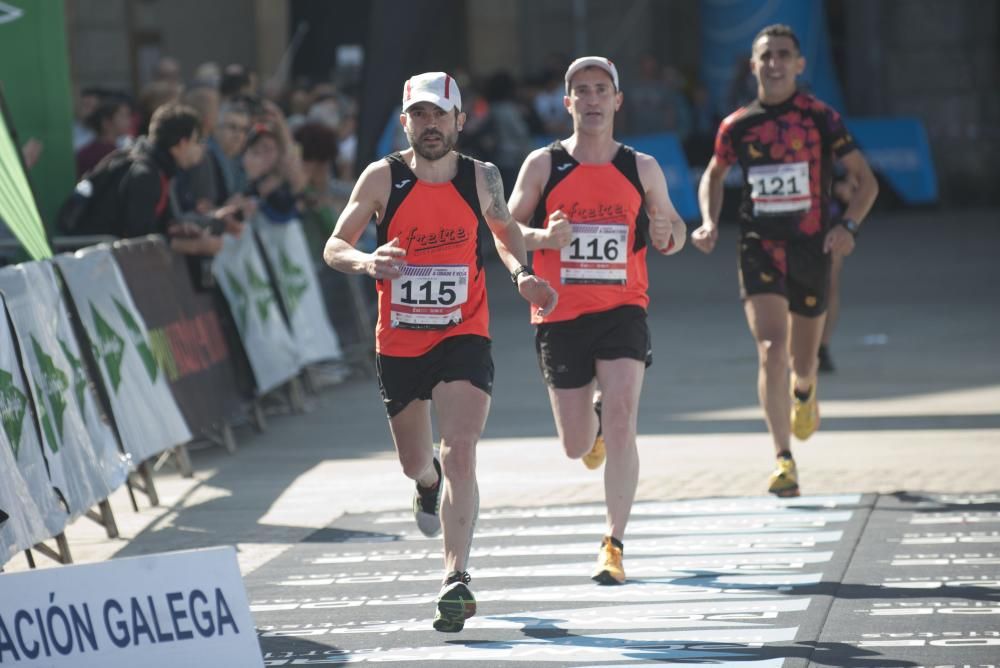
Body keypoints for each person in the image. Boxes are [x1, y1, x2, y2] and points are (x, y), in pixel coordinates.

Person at [323, 72, 557, 631]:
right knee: (417, 461)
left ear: (459, 120)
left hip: (463, 332)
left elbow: (504, 232)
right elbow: (334, 244)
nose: (431, 125)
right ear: (405, 123)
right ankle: (426, 487)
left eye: (440, 115)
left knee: (461, 450)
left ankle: (456, 578)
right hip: (400, 341)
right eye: (419, 116)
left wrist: (522, 272)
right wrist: (366, 261)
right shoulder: (382, 178)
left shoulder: (483, 178)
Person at [508, 56, 687, 585]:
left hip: (622, 309)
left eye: (600, 90)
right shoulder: (544, 165)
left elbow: (671, 228)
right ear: (566, 103)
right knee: (576, 446)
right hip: (560, 315)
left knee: (625, 417)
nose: (591, 100)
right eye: (581, 91)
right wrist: (543, 239)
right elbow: (506, 229)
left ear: (617, 101)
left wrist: (667, 234)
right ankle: (593, 421)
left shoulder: (641, 167)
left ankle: (613, 544)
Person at [691, 24, 878, 497]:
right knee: (771, 349)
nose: (773, 63)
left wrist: (847, 227)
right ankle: (783, 459)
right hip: (759, 245)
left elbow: (866, 181)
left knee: (802, 359)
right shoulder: (738, 125)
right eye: (765, 56)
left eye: (783, 55)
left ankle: (805, 390)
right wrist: (710, 221)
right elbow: (714, 175)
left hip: (811, 247)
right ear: (752, 65)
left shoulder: (820, 118)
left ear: (799, 64)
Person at [818, 173, 859, 372]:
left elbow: (856, 186)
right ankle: (797, 344)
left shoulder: (838, 147)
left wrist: (843, 188)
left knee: (829, 285)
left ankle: (822, 347)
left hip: (829, 221)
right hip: (794, 218)